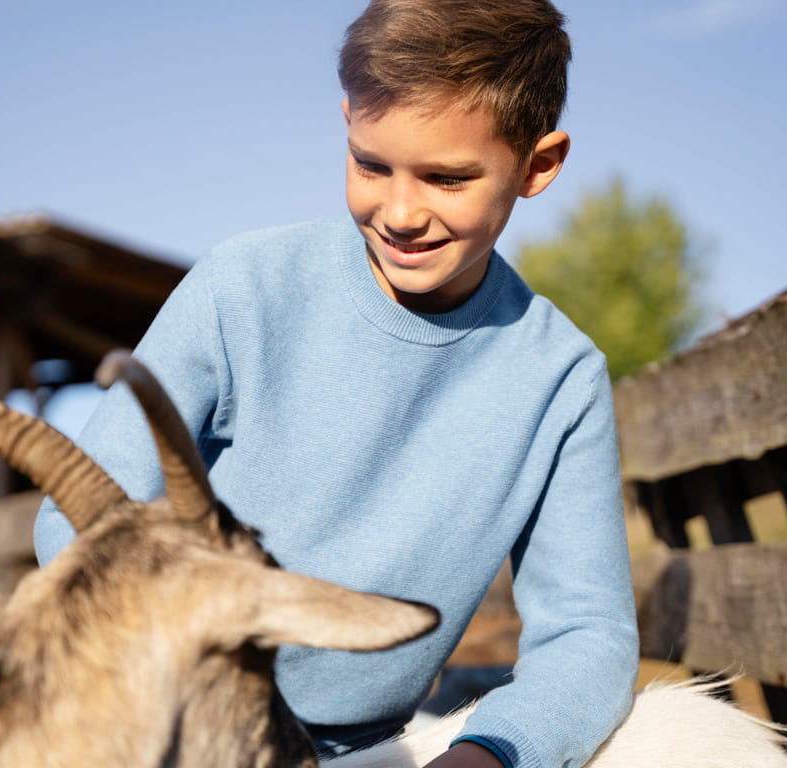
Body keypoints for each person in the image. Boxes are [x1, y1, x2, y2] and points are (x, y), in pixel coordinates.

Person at [34, 1, 639, 766]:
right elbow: (82, 512)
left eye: (448, 178)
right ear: (347, 122)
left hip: (353, 753)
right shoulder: (242, 288)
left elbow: (588, 634)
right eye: (370, 164)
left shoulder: (560, 378)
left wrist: (490, 754)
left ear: (536, 166)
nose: (400, 212)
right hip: (154, 720)